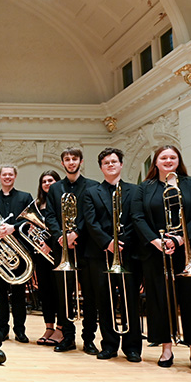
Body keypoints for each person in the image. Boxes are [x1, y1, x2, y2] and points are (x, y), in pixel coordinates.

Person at [132, 145, 191, 371]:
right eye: (163, 157)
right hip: (156, 251)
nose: (168, 160)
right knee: (160, 299)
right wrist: (156, 241)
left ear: (178, 161)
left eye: (173, 157)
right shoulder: (145, 188)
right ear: (156, 162)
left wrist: (181, 239)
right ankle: (166, 348)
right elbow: (137, 216)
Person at [81, 147, 143, 362]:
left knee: (130, 301)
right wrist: (107, 242)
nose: (110, 165)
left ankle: (133, 347)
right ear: (101, 167)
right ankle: (108, 345)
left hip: (129, 253)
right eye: (106, 162)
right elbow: (90, 221)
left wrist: (123, 243)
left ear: (121, 165)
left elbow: (138, 219)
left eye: (114, 161)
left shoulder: (136, 191)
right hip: (100, 254)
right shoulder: (91, 192)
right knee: (105, 301)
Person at [44, 147, 100, 355]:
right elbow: (50, 216)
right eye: (67, 159)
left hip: (86, 247)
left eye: (74, 159)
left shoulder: (92, 186)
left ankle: (89, 339)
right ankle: (67, 337)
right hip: (62, 247)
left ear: (81, 162)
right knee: (64, 295)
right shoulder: (56, 188)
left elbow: (90, 214)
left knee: (90, 294)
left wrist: (75, 233)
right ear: (62, 164)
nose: (71, 162)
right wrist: (60, 235)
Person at [0, 164, 34, 343]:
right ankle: (2, 329)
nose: (7, 177)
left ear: (14, 177)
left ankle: (20, 330)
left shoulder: (25, 197)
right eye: (4, 174)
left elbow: (30, 223)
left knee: (18, 294)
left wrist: (13, 228)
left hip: (19, 253)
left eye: (10, 175)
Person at [34, 170, 63, 346]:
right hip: (41, 254)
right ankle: (49, 327)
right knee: (45, 292)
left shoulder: (61, 202)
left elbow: (60, 228)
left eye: (51, 180)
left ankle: (60, 328)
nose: (47, 183)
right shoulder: (38, 205)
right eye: (44, 181)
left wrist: (50, 245)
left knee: (58, 291)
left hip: (57, 252)